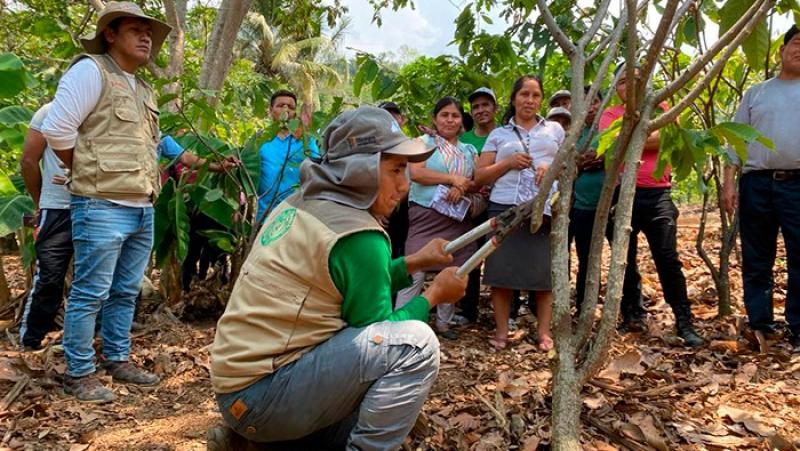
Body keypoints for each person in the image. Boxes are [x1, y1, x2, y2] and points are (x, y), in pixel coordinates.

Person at [208, 106, 468, 450]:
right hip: (265, 399)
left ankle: (257, 443)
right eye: (395, 169)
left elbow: (347, 282)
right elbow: (382, 334)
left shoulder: (300, 202)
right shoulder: (359, 234)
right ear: (357, 171)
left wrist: (415, 262)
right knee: (415, 347)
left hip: (237, 391)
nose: (404, 185)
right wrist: (433, 296)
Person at [599, 64, 704, 347]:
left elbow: (672, 136)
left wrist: (637, 134)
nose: (626, 87)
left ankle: (684, 320)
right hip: (624, 195)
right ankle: (632, 314)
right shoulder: (609, 115)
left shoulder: (663, 106)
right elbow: (615, 143)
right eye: (620, 82)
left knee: (667, 258)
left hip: (658, 195)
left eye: (632, 80)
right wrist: (647, 135)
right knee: (625, 260)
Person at [721, 25, 800, 350]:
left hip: (798, 184)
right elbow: (736, 138)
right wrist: (728, 181)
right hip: (757, 183)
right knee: (757, 257)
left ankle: (797, 326)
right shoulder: (757, 93)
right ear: (781, 50)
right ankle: (760, 324)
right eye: (796, 43)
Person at [475, 75, 563, 351]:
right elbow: (479, 176)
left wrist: (551, 170)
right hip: (505, 207)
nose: (530, 100)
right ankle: (501, 332)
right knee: (501, 272)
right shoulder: (498, 134)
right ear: (513, 99)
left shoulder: (555, 130)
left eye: (536, 95)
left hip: (543, 208)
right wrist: (508, 163)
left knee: (543, 274)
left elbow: (568, 165)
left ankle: (544, 333)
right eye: (524, 94)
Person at [395, 97, 480, 339]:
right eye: (444, 115)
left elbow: (474, 181)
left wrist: (462, 187)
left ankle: (444, 324)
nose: (450, 120)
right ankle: (401, 322)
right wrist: (451, 179)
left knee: (453, 266)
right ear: (435, 118)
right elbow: (417, 173)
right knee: (415, 270)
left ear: (461, 120)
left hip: (456, 217)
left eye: (455, 115)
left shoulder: (468, 150)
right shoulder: (422, 143)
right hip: (425, 213)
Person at [256, 89, 320, 221]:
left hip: (297, 216)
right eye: (280, 106)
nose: (286, 110)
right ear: (270, 110)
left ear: (295, 113)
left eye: (291, 107)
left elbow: (316, 168)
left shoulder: (305, 140)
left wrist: (305, 133)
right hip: (265, 217)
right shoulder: (260, 140)